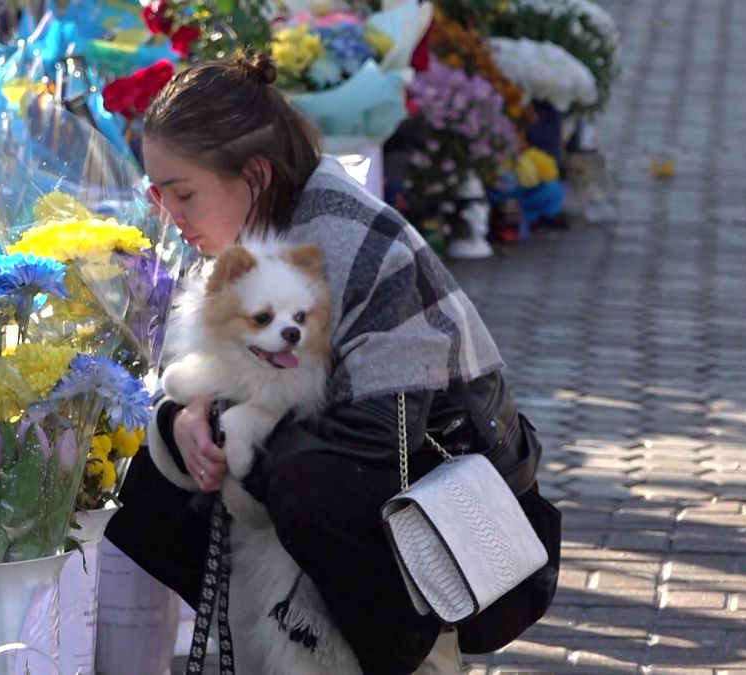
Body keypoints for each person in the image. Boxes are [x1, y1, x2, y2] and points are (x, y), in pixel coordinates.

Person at [105, 53, 554, 674]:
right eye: (157, 193)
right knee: (154, 483)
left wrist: (224, 431)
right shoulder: (244, 228)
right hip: (351, 462)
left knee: (306, 486)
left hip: (452, 500)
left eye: (181, 193)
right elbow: (200, 367)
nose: (167, 214)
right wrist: (183, 418)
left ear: (254, 175)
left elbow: (374, 438)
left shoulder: (347, 240)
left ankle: (410, 651)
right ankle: (275, 633)